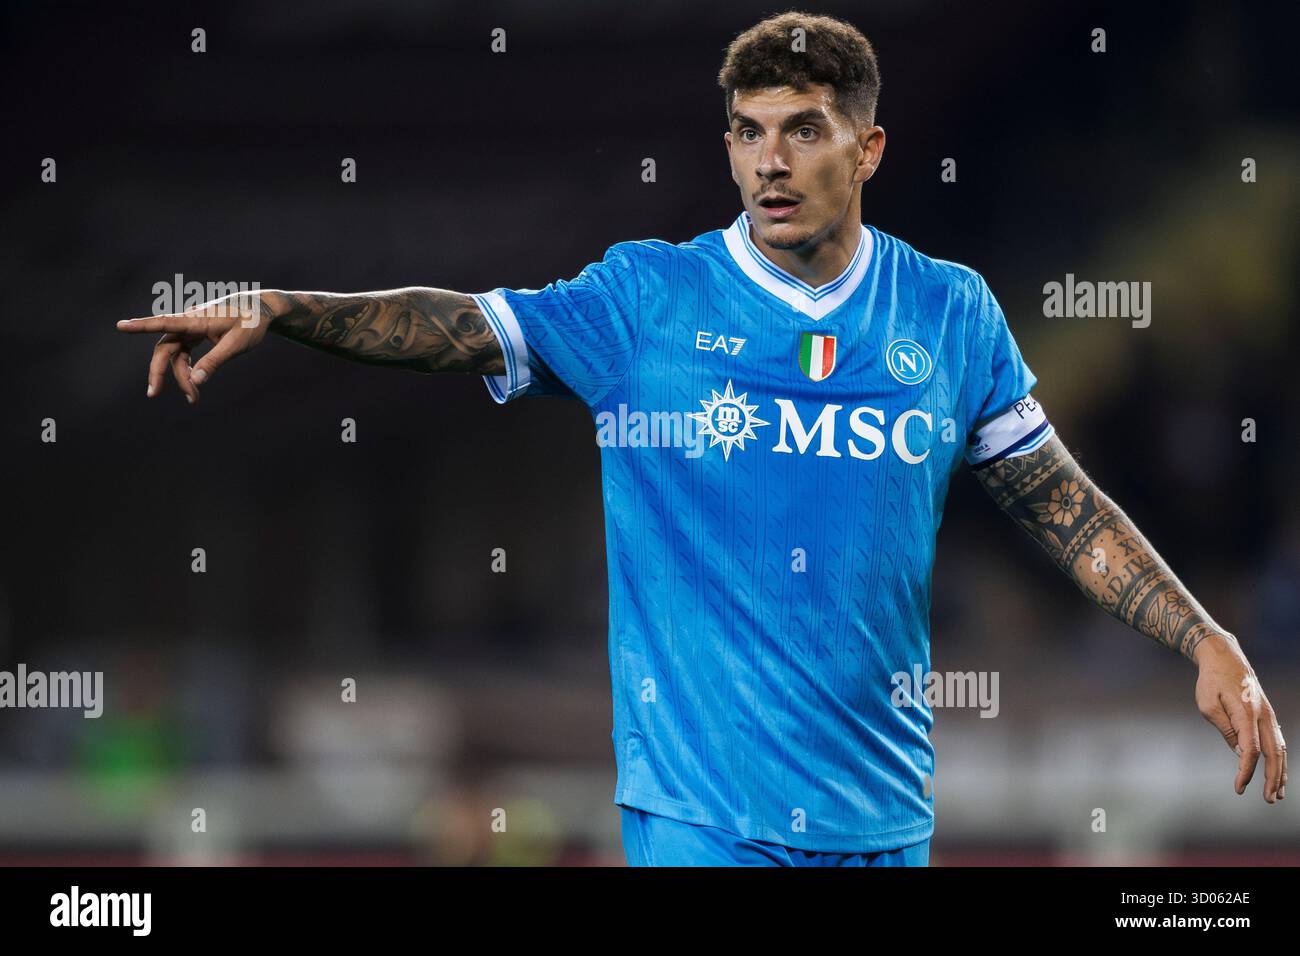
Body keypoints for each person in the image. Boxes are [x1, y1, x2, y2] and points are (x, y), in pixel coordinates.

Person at [117, 11, 1286, 866]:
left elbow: (1055, 498)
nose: (769, 160)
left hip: (887, 818)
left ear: (867, 150)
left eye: (803, 129)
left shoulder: (949, 310)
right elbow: (458, 324)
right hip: (703, 820)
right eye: (746, 132)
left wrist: (1200, 634)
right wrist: (282, 309)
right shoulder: (647, 302)